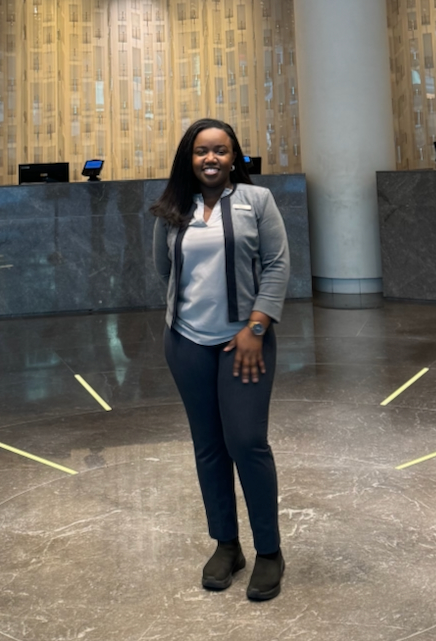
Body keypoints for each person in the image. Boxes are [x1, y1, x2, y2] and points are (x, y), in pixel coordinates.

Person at [151, 118, 290, 601]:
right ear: (189, 158)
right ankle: (227, 546)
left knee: (247, 442)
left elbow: (276, 265)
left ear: (234, 158)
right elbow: (162, 268)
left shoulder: (258, 202)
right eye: (201, 151)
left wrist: (256, 327)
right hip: (186, 343)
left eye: (221, 151)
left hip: (244, 344)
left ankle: (269, 551)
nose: (211, 159)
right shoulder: (173, 209)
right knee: (208, 445)